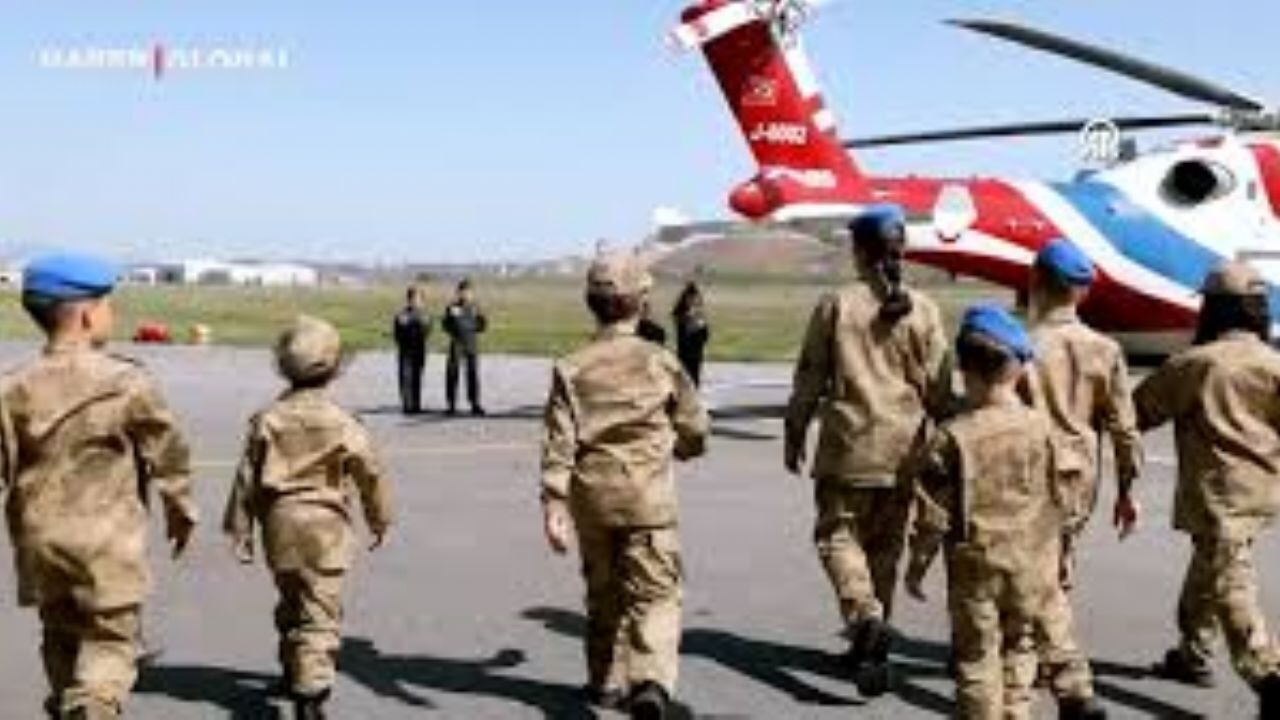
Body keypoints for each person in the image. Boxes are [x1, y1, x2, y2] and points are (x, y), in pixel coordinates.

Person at [0, 253, 198, 719]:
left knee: (60, 633)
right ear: (88, 315)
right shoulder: (125, 381)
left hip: (41, 541)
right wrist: (180, 504)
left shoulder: (12, 386)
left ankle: (69, 702)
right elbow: (167, 449)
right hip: (107, 543)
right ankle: (91, 708)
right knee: (110, 639)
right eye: (108, 303)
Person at [784, 204, 952, 695]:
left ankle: (865, 618)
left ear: (858, 250)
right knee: (885, 549)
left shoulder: (836, 305)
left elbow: (811, 375)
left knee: (838, 536)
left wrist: (795, 430)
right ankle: (870, 649)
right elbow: (940, 389)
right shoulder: (925, 310)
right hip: (905, 451)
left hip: (850, 447)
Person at [540, 251, 709, 719]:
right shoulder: (661, 362)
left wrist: (553, 503)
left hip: (592, 500)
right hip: (648, 500)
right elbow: (696, 429)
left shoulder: (571, 366)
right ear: (641, 302)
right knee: (655, 594)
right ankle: (650, 681)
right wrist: (681, 448)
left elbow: (559, 442)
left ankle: (604, 682)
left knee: (603, 593)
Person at [224, 315, 394, 720]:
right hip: (325, 527)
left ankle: (293, 667)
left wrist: (240, 528)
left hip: (279, 525)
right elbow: (370, 473)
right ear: (334, 368)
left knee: (291, 599)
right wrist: (380, 517)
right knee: (320, 610)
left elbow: (246, 477)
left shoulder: (267, 419)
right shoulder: (343, 422)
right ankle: (310, 696)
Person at [1132, 261, 1280, 715]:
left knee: (1230, 583)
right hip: (1261, 492)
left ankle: (1267, 676)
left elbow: (1139, 411)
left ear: (1215, 309)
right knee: (1211, 567)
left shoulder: (1195, 364)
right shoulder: (1274, 363)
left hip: (1216, 496)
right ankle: (1192, 653)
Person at [905, 304, 1064, 720]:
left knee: (977, 658)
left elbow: (932, 515)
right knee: (1020, 647)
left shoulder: (951, 436)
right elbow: (1059, 500)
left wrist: (917, 565)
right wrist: (1057, 560)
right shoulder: (1042, 427)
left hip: (975, 565)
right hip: (1030, 561)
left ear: (965, 370)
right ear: (1018, 370)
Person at [1025, 239, 1139, 717]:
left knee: (1031, 571)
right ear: (1083, 292)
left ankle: (1062, 674)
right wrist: (1127, 491)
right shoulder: (1105, 349)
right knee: (1059, 568)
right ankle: (1042, 660)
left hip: (1029, 471)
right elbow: (1124, 428)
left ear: (1037, 282)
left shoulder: (1022, 344)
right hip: (1079, 475)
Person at [442, 278, 487, 416]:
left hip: (471, 343)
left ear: (472, 293)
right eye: (462, 291)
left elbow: (482, 326)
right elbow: (445, 325)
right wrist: (455, 330)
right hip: (456, 343)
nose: (465, 294)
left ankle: (475, 403)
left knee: (473, 374)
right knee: (452, 373)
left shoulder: (476, 308)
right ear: (458, 293)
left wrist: (472, 326)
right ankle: (451, 404)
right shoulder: (452, 308)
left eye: (468, 292)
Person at [392, 284, 432, 414]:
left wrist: (423, 323)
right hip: (405, 351)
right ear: (409, 300)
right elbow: (396, 333)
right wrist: (403, 342)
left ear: (422, 300)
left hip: (419, 350)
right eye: (413, 298)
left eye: (418, 299)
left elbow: (427, 332)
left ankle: (416, 404)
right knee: (405, 378)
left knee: (417, 378)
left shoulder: (425, 315)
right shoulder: (401, 315)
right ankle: (407, 404)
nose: (416, 301)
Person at [672, 281, 710, 386]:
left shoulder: (698, 315)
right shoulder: (681, 315)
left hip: (697, 354)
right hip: (685, 354)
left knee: (694, 381)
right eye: (692, 299)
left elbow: (705, 336)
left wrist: (701, 324)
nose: (694, 301)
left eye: (695, 299)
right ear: (686, 299)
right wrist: (695, 322)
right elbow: (685, 333)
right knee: (686, 381)